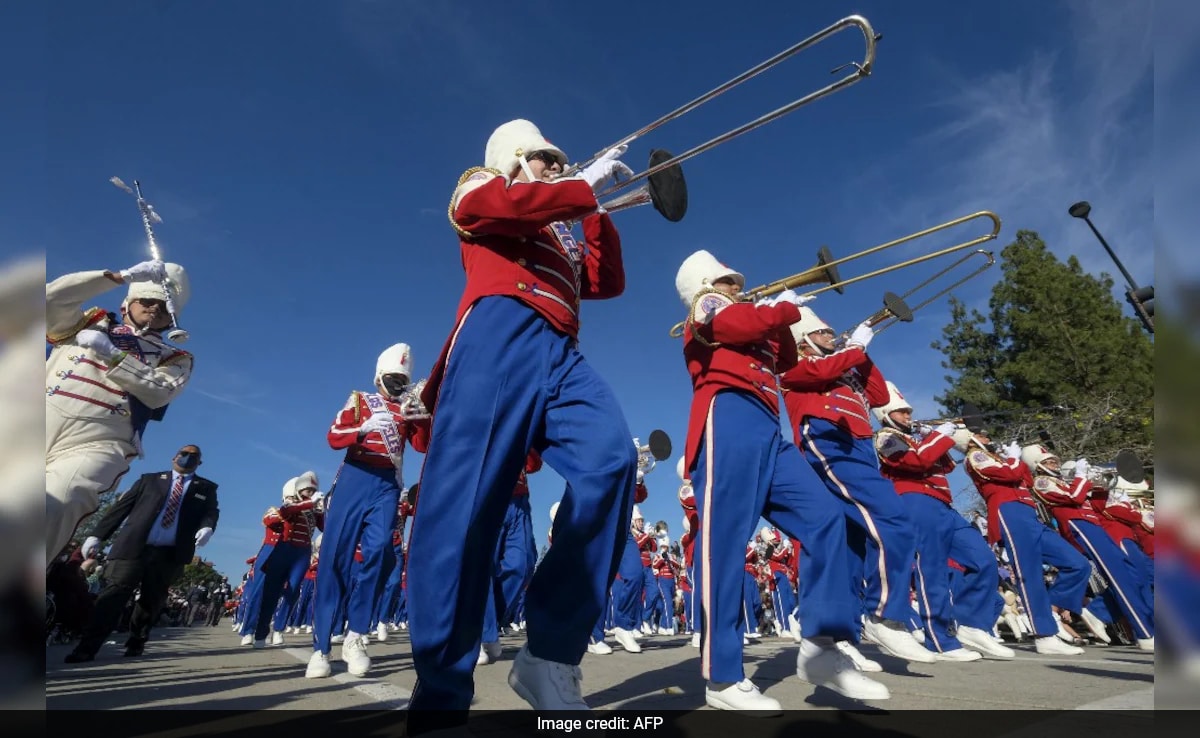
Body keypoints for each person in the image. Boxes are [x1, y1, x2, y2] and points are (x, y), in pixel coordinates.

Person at [405, 119, 639, 724]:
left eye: (562, 160)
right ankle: (440, 697)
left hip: (561, 350)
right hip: (497, 333)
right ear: (514, 157)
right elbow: (488, 210)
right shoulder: (483, 183)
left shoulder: (560, 217)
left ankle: (549, 650)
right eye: (546, 158)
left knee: (613, 461)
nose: (558, 165)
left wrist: (596, 211)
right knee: (463, 513)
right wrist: (579, 186)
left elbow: (605, 282)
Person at [674, 249, 887, 712]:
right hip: (727, 416)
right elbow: (738, 326)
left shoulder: (750, 317)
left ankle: (820, 645)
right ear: (709, 283)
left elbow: (785, 362)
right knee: (724, 547)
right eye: (730, 279)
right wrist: (781, 307)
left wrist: (787, 316)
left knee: (826, 518)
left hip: (771, 427)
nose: (739, 285)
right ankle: (722, 676)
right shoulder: (705, 308)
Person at [778, 307, 935, 667]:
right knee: (892, 518)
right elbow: (814, 373)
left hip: (860, 446)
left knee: (852, 545)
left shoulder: (844, 363)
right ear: (805, 338)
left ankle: (841, 635)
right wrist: (853, 350)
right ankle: (886, 615)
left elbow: (878, 396)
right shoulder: (793, 362)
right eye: (823, 332)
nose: (831, 335)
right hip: (829, 440)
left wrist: (863, 351)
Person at [45, 259, 193, 566]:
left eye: (164, 307)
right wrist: (117, 276)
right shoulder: (87, 322)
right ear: (127, 304)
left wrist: (112, 354)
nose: (155, 309)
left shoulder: (175, 357)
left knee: (60, 500)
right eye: (148, 301)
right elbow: (48, 301)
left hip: (97, 442)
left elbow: (161, 390)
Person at [306, 343, 428, 679]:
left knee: (378, 554)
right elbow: (333, 437)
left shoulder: (407, 406)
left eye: (403, 379)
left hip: (387, 484)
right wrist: (362, 427)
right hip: (354, 479)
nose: (397, 385)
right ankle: (321, 647)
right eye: (392, 378)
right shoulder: (360, 400)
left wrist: (422, 412)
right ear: (378, 377)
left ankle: (356, 636)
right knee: (335, 557)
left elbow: (422, 445)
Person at [872, 381, 1013, 660]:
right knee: (932, 569)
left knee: (984, 560)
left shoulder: (917, 438)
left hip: (943, 505)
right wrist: (937, 437)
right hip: (915, 502)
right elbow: (915, 463)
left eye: (909, 411)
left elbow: (946, 464)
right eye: (902, 412)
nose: (909, 416)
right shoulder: (885, 438)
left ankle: (971, 623)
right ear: (888, 416)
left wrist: (931, 436)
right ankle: (940, 639)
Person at [64, 444, 218, 662]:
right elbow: (121, 508)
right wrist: (98, 535)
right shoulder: (150, 480)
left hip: (169, 553)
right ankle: (87, 647)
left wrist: (208, 526)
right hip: (134, 547)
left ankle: (136, 642)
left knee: (152, 600)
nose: (187, 458)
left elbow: (211, 511)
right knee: (113, 596)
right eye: (184, 453)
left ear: (200, 463)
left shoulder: (206, 488)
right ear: (174, 457)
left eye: (194, 456)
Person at [959, 431, 1089, 656]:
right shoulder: (975, 456)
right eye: (982, 435)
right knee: (1029, 574)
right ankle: (1045, 635)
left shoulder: (999, 458)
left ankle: (1051, 610)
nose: (989, 437)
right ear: (970, 440)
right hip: (1009, 513)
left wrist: (1012, 461)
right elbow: (1009, 474)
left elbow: (1025, 479)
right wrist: (1013, 460)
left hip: (1029, 515)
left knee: (1078, 564)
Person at [1024, 448, 1154, 650]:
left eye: (1054, 461)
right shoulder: (1042, 482)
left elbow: (1096, 504)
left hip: (1094, 526)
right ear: (1037, 465)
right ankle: (1144, 633)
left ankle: (1100, 612)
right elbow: (1074, 498)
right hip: (1077, 524)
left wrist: (1101, 485)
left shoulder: (1070, 482)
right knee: (1120, 577)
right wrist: (1081, 478)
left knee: (1130, 574)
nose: (1054, 465)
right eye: (1049, 462)